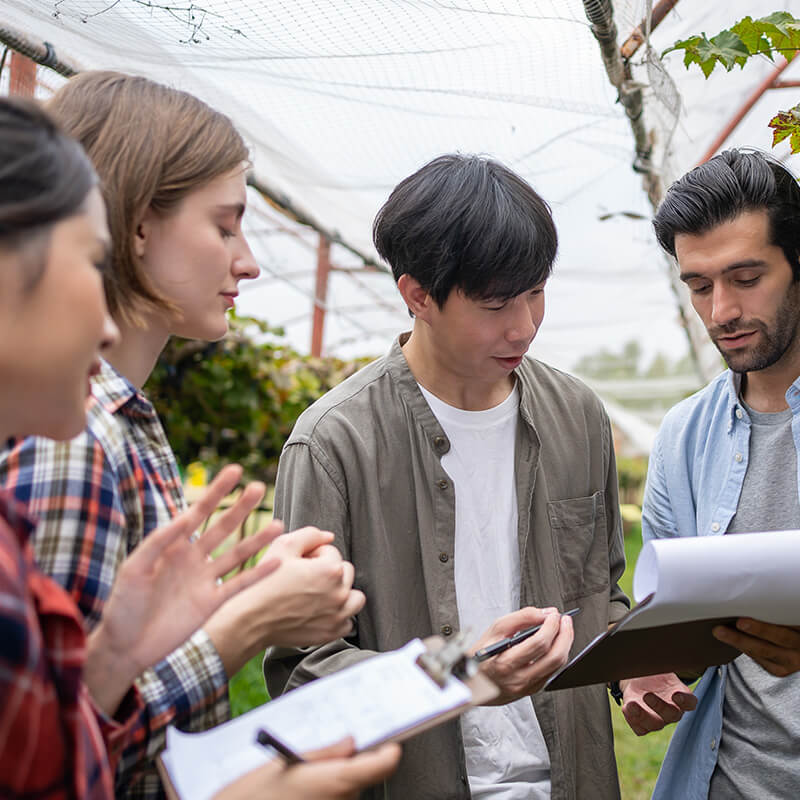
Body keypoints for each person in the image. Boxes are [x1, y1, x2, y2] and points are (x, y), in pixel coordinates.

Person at [0, 94, 401, 800]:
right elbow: (50, 760)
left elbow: (83, 696)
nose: (247, 264)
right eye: (226, 227)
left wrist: (222, 606)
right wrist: (247, 625)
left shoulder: (114, 416)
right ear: (137, 225)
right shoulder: (74, 437)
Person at [265, 154, 630, 799]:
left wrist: (634, 669)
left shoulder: (578, 417)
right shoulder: (334, 445)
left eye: (536, 293)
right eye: (495, 304)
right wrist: (456, 674)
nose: (524, 325)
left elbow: (600, 591)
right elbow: (303, 669)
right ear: (417, 296)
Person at [620, 149, 800, 799]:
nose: (721, 310)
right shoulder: (683, 437)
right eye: (699, 286)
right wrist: (648, 668)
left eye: (746, 277)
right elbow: (685, 627)